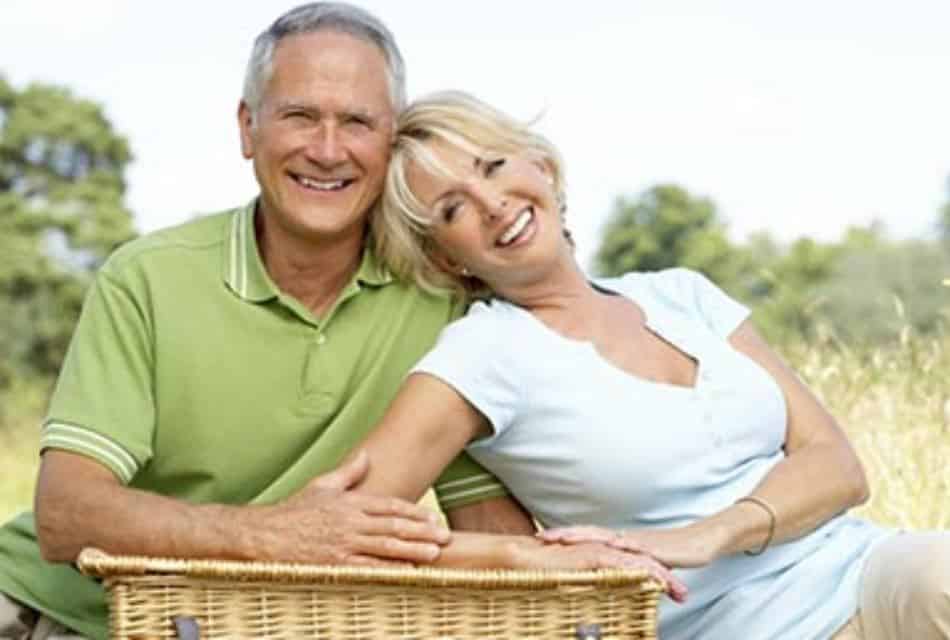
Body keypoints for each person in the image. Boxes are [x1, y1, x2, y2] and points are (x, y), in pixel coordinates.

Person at [0, 6, 673, 640]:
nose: (327, 150)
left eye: (356, 121)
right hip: (51, 613)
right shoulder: (147, 278)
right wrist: (274, 536)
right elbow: (67, 515)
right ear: (247, 128)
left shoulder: (443, 304)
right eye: (299, 116)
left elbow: (480, 516)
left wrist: (552, 564)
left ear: (391, 137)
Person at [344, 90, 950, 639]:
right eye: (453, 208)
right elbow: (344, 534)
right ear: (447, 261)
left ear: (543, 168)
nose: (494, 203)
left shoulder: (683, 294)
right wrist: (525, 557)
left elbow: (839, 467)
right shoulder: (482, 354)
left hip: (872, 573)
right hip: (728, 627)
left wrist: (710, 534)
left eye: (494, 167)